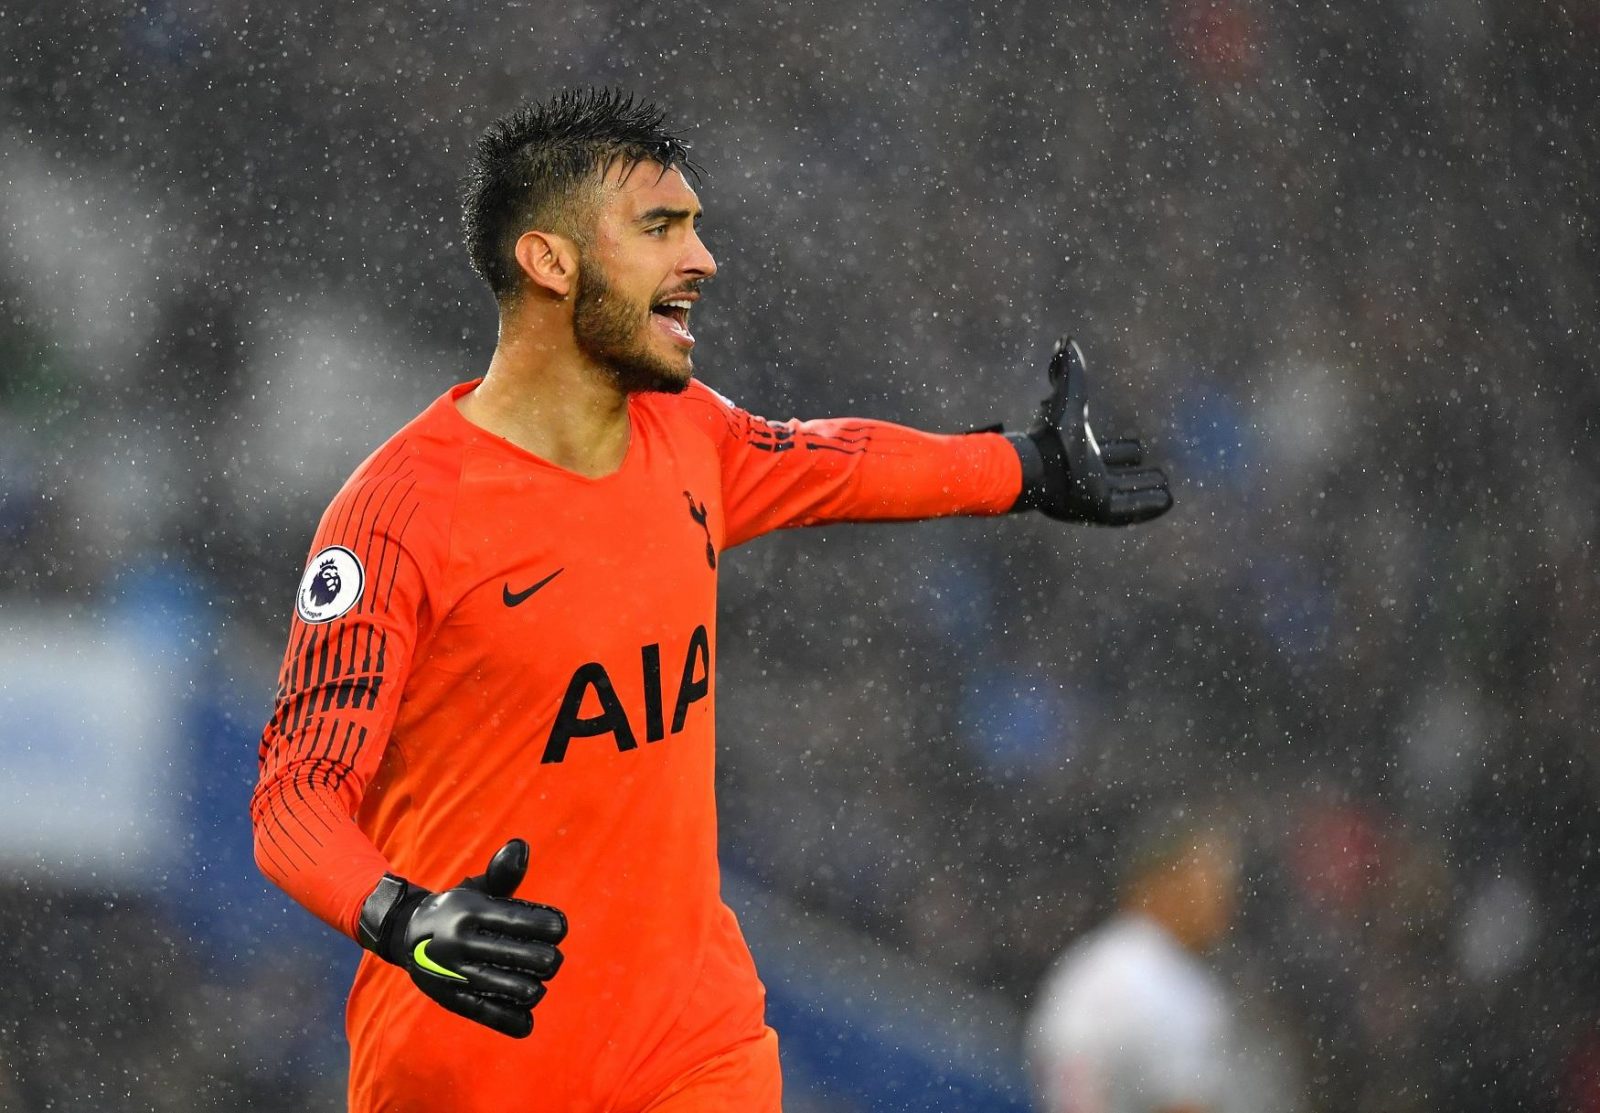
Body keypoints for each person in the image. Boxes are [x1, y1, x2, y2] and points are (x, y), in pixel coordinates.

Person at [250, 87, 1172, 1113]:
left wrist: (1027, 466)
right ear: (550, 261)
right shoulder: (396, 517)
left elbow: (833, 460)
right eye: (661, 229)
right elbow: (294, 797)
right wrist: (404, 918)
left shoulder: (688, 433)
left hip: (692, 1045)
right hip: (474, 1055)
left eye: (694, 227)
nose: (703, 260)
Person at [1025, 810, 1244, 1113]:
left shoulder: (1084, 965)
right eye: (1211, 877)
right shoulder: (1172, 985)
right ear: (1165, 881)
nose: (1225, 897)